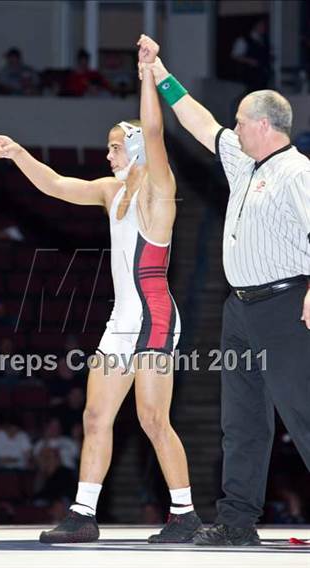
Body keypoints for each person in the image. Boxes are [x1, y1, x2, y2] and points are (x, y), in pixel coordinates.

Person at [0, 37, 202, 545]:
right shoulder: (111, 190)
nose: (105, 153)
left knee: (151, 417)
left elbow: (153, 130)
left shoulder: (157, 188)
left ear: (133, 148)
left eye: (112, 145)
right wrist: (18, 155)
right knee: (96, 413)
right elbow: (58, 185)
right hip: (121, 317)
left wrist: (147, 76)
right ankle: (83, 515)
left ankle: (186, 514)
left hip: (154, 316)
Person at [137, 34, 310, 546]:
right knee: (241, 422)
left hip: (285, 306)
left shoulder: (298, 173)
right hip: (240, 309)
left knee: (302, 415)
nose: (232, 126)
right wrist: (161, 72)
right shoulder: (241, 157)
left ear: (263, 125)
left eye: (239, 120)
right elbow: (199, 121)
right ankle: (237, 521)